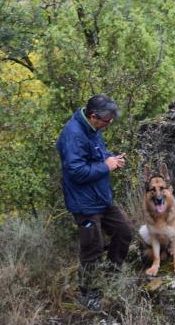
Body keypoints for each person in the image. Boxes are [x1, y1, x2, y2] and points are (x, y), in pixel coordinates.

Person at [56, 94, 133, 310]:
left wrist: (112, 160)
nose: (109, 124)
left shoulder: (93, 129)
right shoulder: (73, 135)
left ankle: (110, 277)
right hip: (84, 203)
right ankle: (87, 294)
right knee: (93, 248)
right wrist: (105, 167)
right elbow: (75, 171)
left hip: (101, 196)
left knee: (124, 232)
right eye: (107, 121)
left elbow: (98, 154)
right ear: (93, 116)